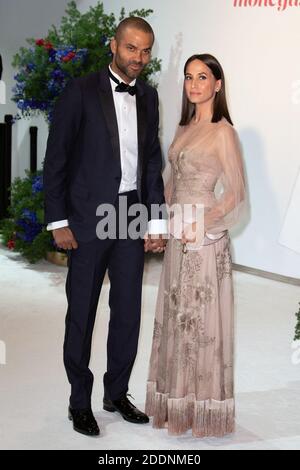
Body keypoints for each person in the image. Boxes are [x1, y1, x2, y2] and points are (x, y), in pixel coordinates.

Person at [44, 17, 167, 437]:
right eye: (132, 48)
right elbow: (56, 158)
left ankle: (116, 392)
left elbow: (152, 162)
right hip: (87, 215)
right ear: (113, 45)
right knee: (82, 311)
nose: (139, 58)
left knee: (128, 310)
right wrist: (58, 220)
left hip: (130, 212)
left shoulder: (148, 97)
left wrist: (155, 218)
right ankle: (79, 401)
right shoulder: (79, 91)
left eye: (146, 50)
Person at [145, 54, 246, 437]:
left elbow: (236, 193)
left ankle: (203, 409)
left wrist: (201, 224)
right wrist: (156, 224)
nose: (194, 84)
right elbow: (172, 182)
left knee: (201, 325)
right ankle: (176, 403)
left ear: (217, 84)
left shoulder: (224, 132)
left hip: (204, 239)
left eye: (202, 77)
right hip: (176, 236)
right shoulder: (184, 127)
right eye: (189, 77)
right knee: (175, 319)